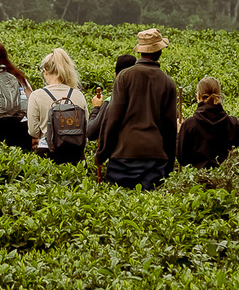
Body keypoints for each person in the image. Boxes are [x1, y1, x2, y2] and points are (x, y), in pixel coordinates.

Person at [94, 29, 178, 190]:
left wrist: (102, 153)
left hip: (122, 155)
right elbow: (170, 129)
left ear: (140, 51)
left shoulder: (124, 77)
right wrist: (169, 163)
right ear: (160, 51)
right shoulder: (168, 83)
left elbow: (113, 119)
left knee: (117, 207)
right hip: (155, 157)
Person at [176, 76, 239, 169]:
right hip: (224, 180)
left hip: (198, 180)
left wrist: (179, 133)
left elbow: (182, 159)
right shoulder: (232, 123)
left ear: (198, 96)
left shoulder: (190, 124)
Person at [28, 48, 89, 164]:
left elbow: (33, 131)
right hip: (75, 153)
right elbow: (86, 126)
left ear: (46, 70)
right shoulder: (78, 95)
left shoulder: (37, 95)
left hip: (47, 151)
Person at [86, 54, 137, 142]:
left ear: (116, 75)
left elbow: (91, 132)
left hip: (119, 153)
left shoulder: (111, 102)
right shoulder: (147, 99)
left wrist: (96, 108)